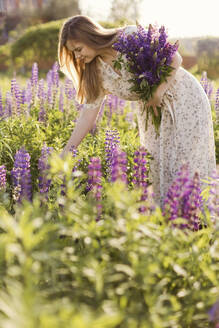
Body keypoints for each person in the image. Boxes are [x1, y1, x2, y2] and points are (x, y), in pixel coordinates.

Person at [58, 15, 216, 206]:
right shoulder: (95, 71)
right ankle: (171, 227)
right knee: (161, 170)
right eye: (73, 53)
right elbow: (87, 115)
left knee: (187, 167)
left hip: (184, 100)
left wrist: (157, 92)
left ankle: (199, 224)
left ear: (91, 37)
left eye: (78, 49)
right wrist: (67, 151)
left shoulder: (129, 36)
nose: (77, 57)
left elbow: (175, 58)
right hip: (153, 114)